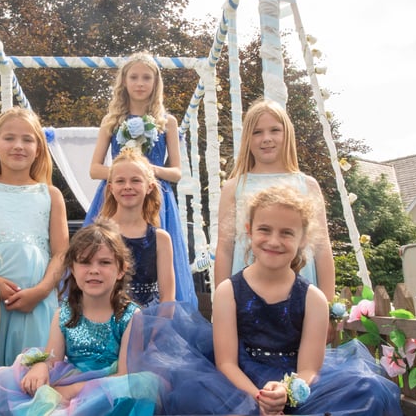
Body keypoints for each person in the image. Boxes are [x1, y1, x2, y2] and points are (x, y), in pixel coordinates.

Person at [127, 186, 402, 415]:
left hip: (297, 382)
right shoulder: (228, 292)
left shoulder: (313, 298)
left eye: (286, 233)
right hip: (239, 383)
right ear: (249, 230)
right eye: (265, 230)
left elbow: (309, 368)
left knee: (370, 389)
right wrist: (259, 398)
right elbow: (226, 363)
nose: (274, 241)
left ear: (303, 238)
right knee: (190, 395)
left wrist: (287, 392)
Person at [0, 219, 161, 415]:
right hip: (68, 381)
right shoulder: (64, 313)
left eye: (105, 262)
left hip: (110, 396)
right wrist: (41, 366)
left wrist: (74, 391)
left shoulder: (130, 316)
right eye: (84, 262)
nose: (94, 270)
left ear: (121, 270)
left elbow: (125, 377)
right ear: (73, 269)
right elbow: (52, 359)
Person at [85, 51, 197, 310]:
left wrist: (146, 172)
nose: (140, 83)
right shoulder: (111, 121)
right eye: (133, 77)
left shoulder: (167, 122)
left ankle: (159, 313)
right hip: (116, 194)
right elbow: (94, 169)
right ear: (123, 82)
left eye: (146, 77)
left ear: (156, 83)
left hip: (156, 196)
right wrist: (124, 174)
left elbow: (177, 172)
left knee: (154, 260)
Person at [0, 106, 69, 366]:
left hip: (38, 303)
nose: (18, 146)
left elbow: (61, 253)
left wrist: (42, 290)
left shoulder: (51, 195)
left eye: (27, 139)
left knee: (31, 376)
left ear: (39, 149)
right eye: (9, 138)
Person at [213, 97, 335, 301]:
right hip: (246, 294)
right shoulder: (234, 187)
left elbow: (322, 248)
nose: (266, 138)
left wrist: (329, 305)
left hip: (299, 291)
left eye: (274, 130)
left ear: (287, 134)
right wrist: (221, 301)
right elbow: (225, 248)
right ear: (247, 139)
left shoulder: (308, 185)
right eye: (257, 132)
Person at [101, 147, 175, 307]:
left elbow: (168, 297)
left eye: (135, 180)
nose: (127, 186)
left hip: (150, 321)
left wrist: (157, 330)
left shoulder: (161, 239)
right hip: (108, 321)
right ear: (111, 188)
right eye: (120, 181)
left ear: (149, 187)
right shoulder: (100, 234)